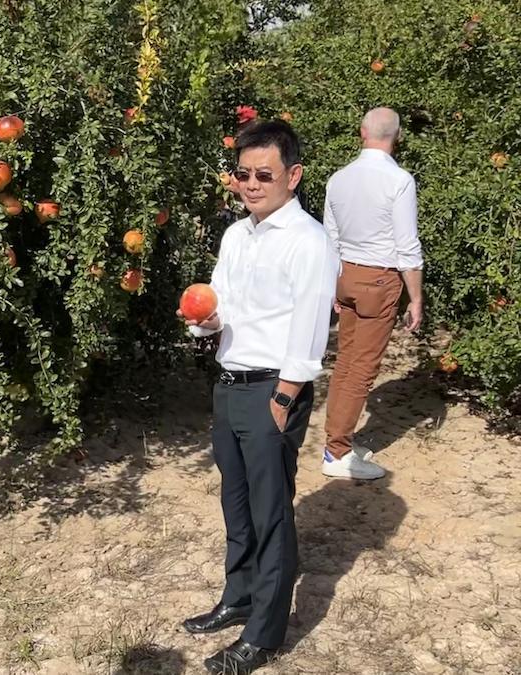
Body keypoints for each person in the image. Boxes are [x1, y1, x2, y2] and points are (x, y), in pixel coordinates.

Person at [180, 120, 339, 674]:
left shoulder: (309, 241)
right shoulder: (236, 235)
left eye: (263, 174)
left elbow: (311, 326)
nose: (251, 184)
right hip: (229, 384)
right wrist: (203, 321)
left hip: (273, 388)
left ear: (292, 176)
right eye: (243, 173)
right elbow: (221, 306)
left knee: (272, 512)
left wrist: (287, 394)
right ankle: (238, 595)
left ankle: (265, 633)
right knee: (237, 502)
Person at [320, 107, 424, 480]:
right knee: (361, 369)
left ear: (362, 132)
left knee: (346, 362)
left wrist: (332, 282)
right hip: (379, 281)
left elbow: (329, 237)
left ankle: (338, 439)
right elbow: (406, 245)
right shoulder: (399, 180)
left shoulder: (339, 178)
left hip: (346, 275)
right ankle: (337, 453)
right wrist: (416, 297)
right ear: (396, 137)